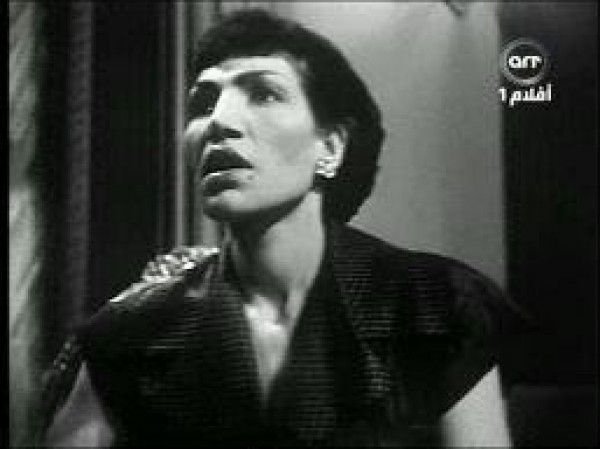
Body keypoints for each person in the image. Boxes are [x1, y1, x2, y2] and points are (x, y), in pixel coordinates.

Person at [43, 8, 524, 447]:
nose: (218, 122)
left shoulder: (433, 307)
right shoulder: (131, 333)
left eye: (264, 93)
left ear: (330, 148)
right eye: (204, 102)